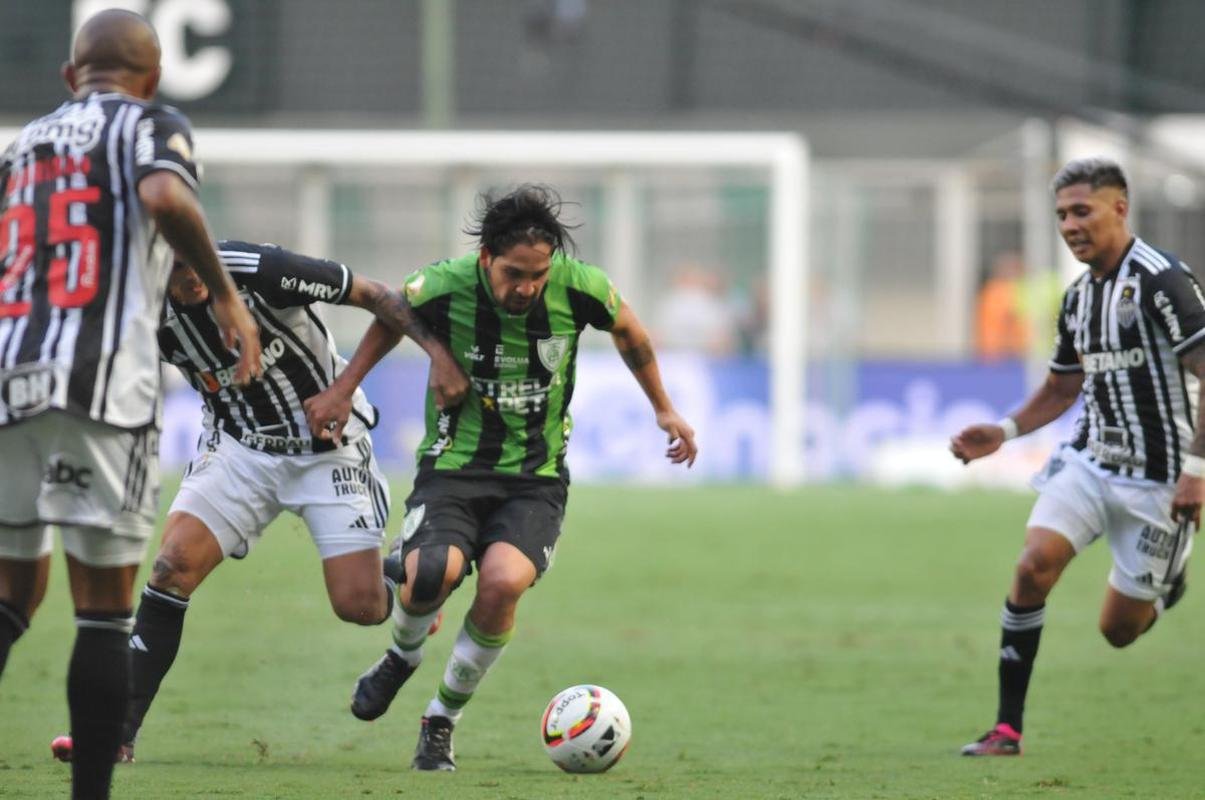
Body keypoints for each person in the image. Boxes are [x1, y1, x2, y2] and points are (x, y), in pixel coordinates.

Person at [304, 185, 698, 771]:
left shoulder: (580, 285)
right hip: (454, 465)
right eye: (515, 273)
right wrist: (351, 386)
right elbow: (391, 313)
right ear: (486, 257)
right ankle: (402, 656)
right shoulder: (446, 283)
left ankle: (441, 720)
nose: (527, 288)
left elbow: (631, 332)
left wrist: (663, 407)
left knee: (503, 583)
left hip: (535, 476)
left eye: (538, 276)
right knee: (433, 574)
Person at [48, 241, 469, 764]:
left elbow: (378, 295)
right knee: (171, 566)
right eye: (177, 268)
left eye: (196, 259)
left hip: (327, 448)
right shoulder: (137, 308)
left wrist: (410, 367)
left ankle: (402, 576)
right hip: (239, 449)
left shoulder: (262, 269)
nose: (194, 276)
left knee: (359, 607)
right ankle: (116, 734)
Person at [0, 10, 260, 798]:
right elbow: (163, 195)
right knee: (104, 607)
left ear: (68, 76)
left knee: (11, 592)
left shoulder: (26, 144)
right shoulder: (151, 123)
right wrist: (223, 294)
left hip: (10, 377)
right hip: (103, 385)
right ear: (150, 80)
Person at [951, 157, 1203, 756]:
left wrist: (1197, 473)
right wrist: (1006, 429)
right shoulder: (1076, 298)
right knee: (1032, 565)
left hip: (1162, 481)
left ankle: (1167, 580)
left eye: (1081, 211)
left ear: (1120, 208)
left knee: (1119, 631)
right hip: (1091, 460)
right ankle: (1007, 728)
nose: (1069, 225)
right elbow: (1064, 387)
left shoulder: (1163, 282)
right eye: (1062, 214)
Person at [974, 252, 1030, 360]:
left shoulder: (1011, 290)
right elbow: (1007, 316)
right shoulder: (997, 291)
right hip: (997, 352)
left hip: (1011, 352)